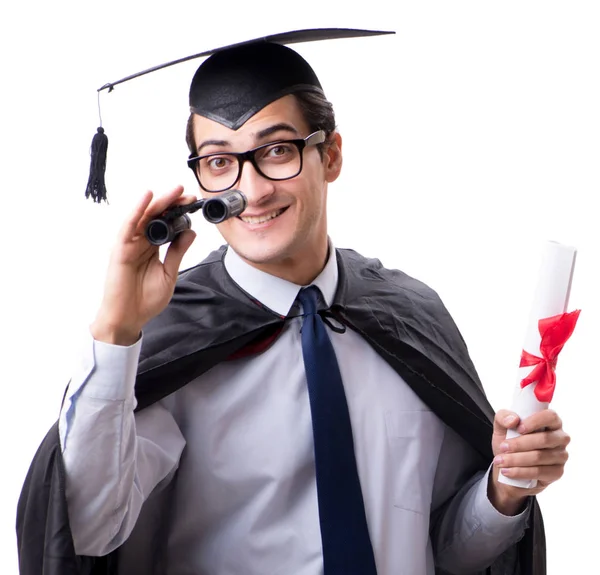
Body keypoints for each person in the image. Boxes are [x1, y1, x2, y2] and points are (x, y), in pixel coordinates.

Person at [17, 29, 570, 575]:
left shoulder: (408, 316)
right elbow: (86, 530)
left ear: (330, 155)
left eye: (278, 151)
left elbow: (442, 552)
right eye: (219, 162)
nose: (253, 191)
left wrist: (505, 488)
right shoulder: (167, 335)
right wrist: (116, 332)